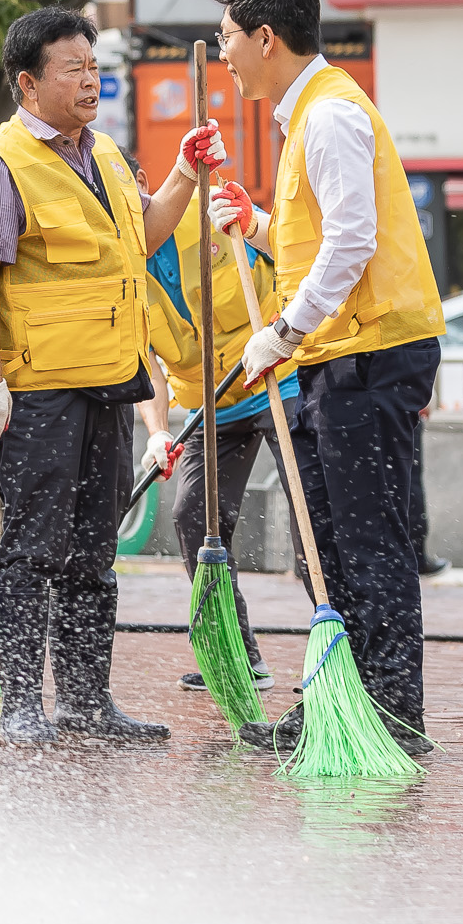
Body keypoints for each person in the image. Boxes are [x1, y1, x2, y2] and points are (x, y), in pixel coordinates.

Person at [0, 7, 226, 747]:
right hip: (36, 390)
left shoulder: (104, 153)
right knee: (32, 550)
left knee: (92, 555)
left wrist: (186, 171)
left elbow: (149, 231)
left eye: (93, 66)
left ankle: (83, 699)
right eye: (72, 68)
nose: (89, 80)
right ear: (28, 82)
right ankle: (21, 704)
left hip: (112, 380)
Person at [212, 0, 445, 757]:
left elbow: (354, 242)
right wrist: (258, 223)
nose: (224, 54)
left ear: (266, 37)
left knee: (367, 542)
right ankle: (340, 705)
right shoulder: (307, 114)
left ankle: (392, 717)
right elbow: (320, 235)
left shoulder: (329, 116)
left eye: (229, 37)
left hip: (369, 356)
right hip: (339, 355)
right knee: (331, 544)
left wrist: (281, 331)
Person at [132, 201, 316, 693]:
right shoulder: (122, 257)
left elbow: (290, 262)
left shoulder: (210, 210)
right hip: (210, 403)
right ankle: (236, 655)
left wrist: (281, 334)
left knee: (310, 519)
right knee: (194, 514)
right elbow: (144, 360)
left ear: (145, 187)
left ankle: (337, 651)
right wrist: (157, 431)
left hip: (278, 378)